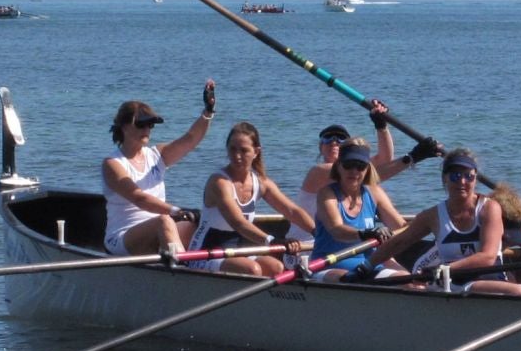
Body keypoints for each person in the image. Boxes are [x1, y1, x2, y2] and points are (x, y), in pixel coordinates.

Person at [369, 150, 521, 297]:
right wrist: (365, 267)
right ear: (445, 179)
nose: (463, 182)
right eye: (456, 176)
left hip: (489, 279)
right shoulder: (431, 215)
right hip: (456, 283)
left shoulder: (489, 208)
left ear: (475, 178)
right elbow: (398, 243)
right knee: (520, 292)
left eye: (469, 176)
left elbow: (488, 257)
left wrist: (446, 268)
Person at [101, 81, 217, 256]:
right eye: (141, 124)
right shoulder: (112, 164)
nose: (147, 129)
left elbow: (191, 139)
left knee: (203, 223)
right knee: (164, 221)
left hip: (159, 227)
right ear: (124, 127)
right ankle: (185, 272)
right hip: (122, 237)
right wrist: (175, 211)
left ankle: (207, 267)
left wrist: (208, 112)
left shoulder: (157, 155)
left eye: (150, 125)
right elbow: (139, 198)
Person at [187, 121, 315, 276]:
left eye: (243, 150)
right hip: (205, 252)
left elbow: (292, 211)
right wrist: (272, 241)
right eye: (232, 149)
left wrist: (318, 233)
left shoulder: (262, 183)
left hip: (238, 250)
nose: (237, 156)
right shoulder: (219, 182)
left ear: (256, 152)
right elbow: (238, 223)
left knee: (276, 268)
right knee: (252, 269)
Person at [309, 137, 410, 281]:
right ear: (338, 166)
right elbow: (337, 230)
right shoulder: (327, 194)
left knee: (410, 281)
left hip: (368, 265)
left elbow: (400, 227)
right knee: (353, 280)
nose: (354, 171)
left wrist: (429, 221)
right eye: (348, 164)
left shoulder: (374, 193)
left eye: (360, 166)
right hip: (328, 265)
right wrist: (367, 233)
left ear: (368, 168)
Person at [298, 101, 443, 196]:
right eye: (328, 138)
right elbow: (369, 176)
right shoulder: (318, 172)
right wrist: (412, 158)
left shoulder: (355, 172)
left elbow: (384, 159)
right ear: (320, 147)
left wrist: (381, 126)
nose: (334, 142)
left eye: (340, 139)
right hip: (311, 240)